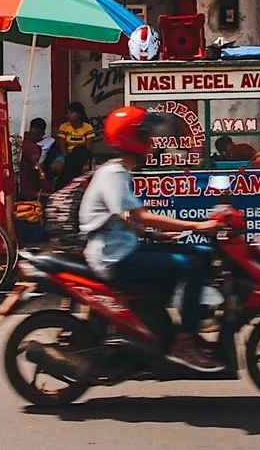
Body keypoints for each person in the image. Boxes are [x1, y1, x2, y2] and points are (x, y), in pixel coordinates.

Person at [78, 105, 227, 371]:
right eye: (146, 136)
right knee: (192, 264)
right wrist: (196, 225)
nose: (151, 142)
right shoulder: (113, 175)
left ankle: (183, 324)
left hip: (123, 248)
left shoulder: (119, 172)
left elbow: (126, 220)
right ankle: (184, 342)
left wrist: (156, 236)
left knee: (201, 254)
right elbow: (141, 216)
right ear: (132, 139)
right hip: (114, 258)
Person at [52, 102, 98, 184]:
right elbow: (62, 146)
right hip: (67, 155)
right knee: (55, 166)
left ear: (79, 114)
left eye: (71, 112)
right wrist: (68, 159)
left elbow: (88, 148)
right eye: (68, 113)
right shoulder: (64, 127)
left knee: (88, 169)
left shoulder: (87, 127)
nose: (68, 115)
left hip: (82, 156)